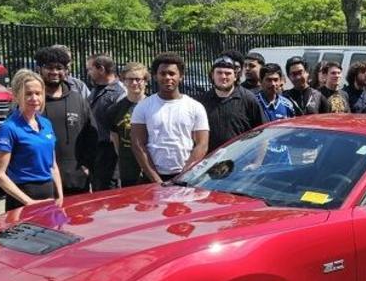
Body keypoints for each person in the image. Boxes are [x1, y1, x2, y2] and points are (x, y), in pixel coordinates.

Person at [0, 69, 65, 212]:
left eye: (38, 93)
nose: (34, 98)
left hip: (49, 193)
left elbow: (52, 165)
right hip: (23, 197)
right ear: (17, 95)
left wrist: (60, 195)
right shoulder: (9, 128)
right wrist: (28, 202)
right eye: (28, 94)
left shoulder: (46, 124)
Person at [131, 53, 210, 183]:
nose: (167, 77)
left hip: (186, 177)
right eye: (163, 73)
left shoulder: (195, 107)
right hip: (152, 178)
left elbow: (202, 144)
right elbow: (138, 144)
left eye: (172, 74)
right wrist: (156, 180)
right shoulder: (142, 107)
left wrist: (183, 176)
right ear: (155, 76)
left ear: (181, 76)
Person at [36, 44, 97, 195]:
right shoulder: (32, 102)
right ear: (39, 69)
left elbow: (92, 135)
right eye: (49, 67)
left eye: (59, 68)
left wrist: (87, 164)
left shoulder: (78, 100)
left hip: (76, 179)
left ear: (66, 71)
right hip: (41, 180)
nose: (54, 72)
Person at [199, 54, 263, 151]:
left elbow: (262, 133)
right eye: (219, 73)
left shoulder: (248, 99)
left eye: (228, 73)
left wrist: (257, 162)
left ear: (235, 76)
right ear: (212, 75)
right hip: (210, 161)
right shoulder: (202, 102)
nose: (223, 76)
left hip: (240, 160)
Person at [86, 54, 125, 191]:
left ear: (101, 69)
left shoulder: (119, 92)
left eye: (90, 69)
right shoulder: (95, 90)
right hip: (95, 150)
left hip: (109, 151)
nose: (88, 73)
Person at [108, 62, 149, 187]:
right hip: (128, 166)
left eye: (138, 79)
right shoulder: (115, 109)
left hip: (151, 164)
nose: (134, 83)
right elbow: (115, 138)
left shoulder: (153, 105)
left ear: (145, 81)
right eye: (130, 79)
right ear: (123, 81)